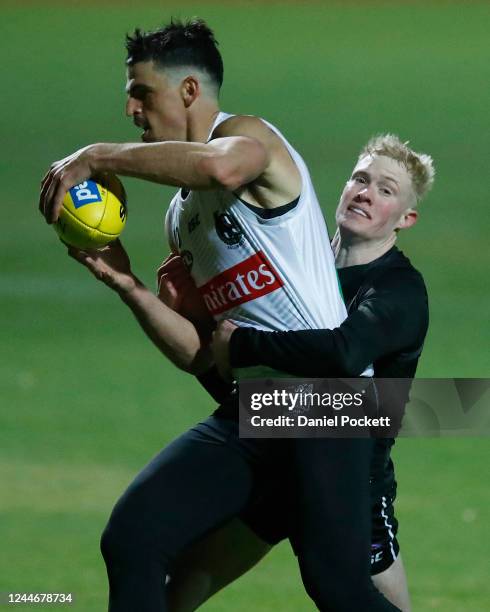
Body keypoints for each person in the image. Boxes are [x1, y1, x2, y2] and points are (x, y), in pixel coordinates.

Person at [40, 19, 397, 611]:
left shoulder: (250, 139)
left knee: (337, 588)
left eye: (141, 92)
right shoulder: (182, 217)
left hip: (326, 405)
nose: (130, 107)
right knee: (133, 538)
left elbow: (220, 167)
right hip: (256, 410)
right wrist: (127, 285)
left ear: (187, 92)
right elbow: (202, 355)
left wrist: (95, 156)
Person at [159, 134, 434, 612]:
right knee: (182, 583)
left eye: (386, 190)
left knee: (352, 599)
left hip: (353, 488)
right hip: (277, 461)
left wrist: (242, 344)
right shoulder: (303, 271)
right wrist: (195, 320)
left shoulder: (399, 290)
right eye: (360, 178)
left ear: (406, 219)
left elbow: (344, 354)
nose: (366, 192)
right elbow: (242, 389)